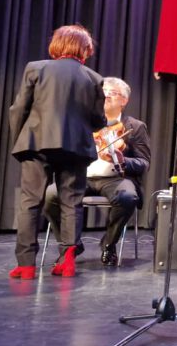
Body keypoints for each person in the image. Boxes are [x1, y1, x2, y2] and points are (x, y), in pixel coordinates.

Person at [7, 25, 106, 279]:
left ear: (56, 45)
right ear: (85, 49)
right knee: (71, 203)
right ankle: (67, 261)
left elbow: (19, 108)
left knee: (30, 202)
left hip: (37, 143)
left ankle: (26, 265)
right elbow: (98, 121)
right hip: (76, 148)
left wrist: (19, 138)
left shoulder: (36, 68)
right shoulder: (94, 79)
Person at [43, 77, 150, 267]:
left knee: (127, 197)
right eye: (103, 92)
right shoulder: (83, 122)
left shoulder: (134, 127)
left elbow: (143, 162)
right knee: (51, 194)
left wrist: (122, 160)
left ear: (124, 101)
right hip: (81, 176)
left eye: (113, 93)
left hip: (116, 178)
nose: (106, 95)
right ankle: (70, 246)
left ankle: (109, 244)